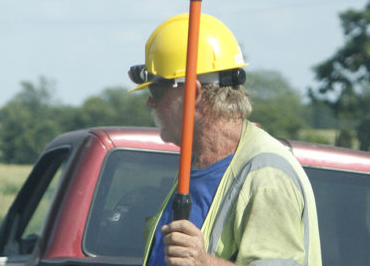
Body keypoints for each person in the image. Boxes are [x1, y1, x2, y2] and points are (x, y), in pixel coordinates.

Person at [128, 13, 321, 266]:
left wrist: (203, 262)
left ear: (193, 93)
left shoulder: (267, 176)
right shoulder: (196, 165)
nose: (149, 102)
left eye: (156, 90)